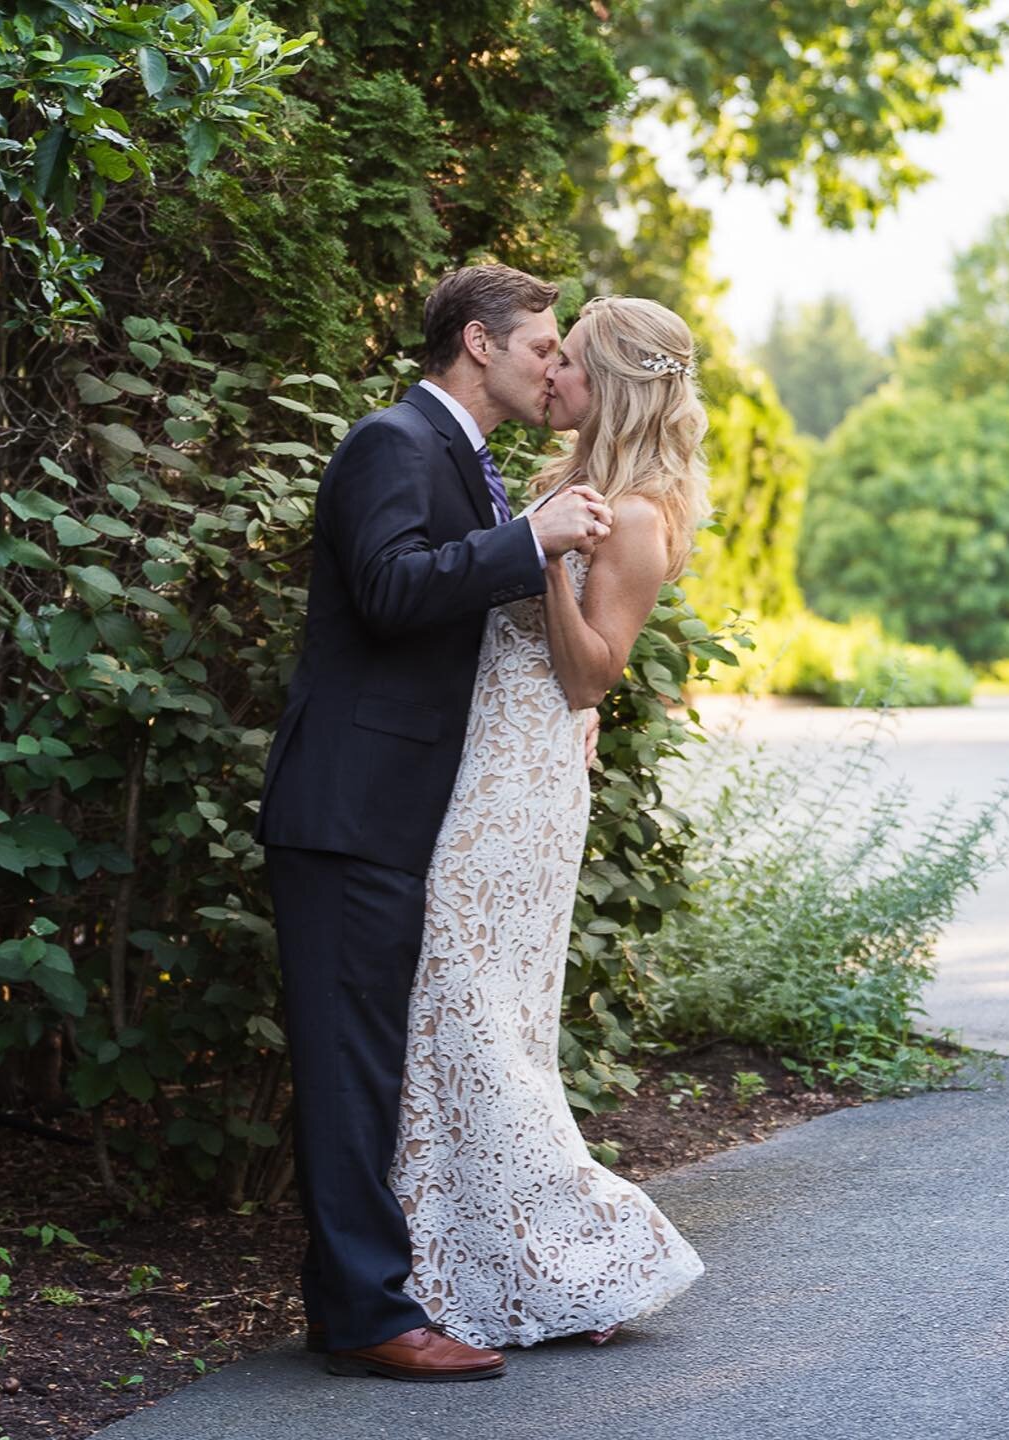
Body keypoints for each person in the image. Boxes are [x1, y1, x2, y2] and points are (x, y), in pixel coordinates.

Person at [254, 265, 614, 1383]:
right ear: (477, 343)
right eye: (542, 346)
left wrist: (560, 718)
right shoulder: (393, 442)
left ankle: (369, 1299)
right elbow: (392, 589)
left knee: (378, 1061)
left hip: (404, 810)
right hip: (350, 808)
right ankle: (368, 1319)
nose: (554, 365)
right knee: (353, 1066)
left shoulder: (464, 456)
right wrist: (535, 540)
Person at [388, 295, 710, 1351]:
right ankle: (456, 1264)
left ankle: (591, 1254)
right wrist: (536, 532)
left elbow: (589, 677)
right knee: (456, 1006)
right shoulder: (553, 482)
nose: (549, 374)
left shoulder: (643, 515)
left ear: (604, 384)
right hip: (477, 753)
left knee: (475, 1000)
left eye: (566, 362)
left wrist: (544, 560)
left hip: (526, 775)